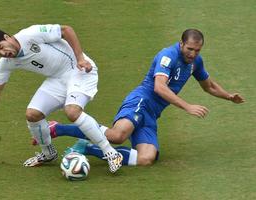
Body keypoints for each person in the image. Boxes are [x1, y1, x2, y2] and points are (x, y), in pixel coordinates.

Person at [46, 29, 245, 166]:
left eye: (197, 50)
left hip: (152, 114)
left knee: (146, 159)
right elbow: (159, 87)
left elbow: (208, 86)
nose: (193, 54)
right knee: (117, 136)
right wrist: (187, 106)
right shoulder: (168, 56)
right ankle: (58, 128)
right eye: (189, 49)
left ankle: (88, 148)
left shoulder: (195, 62)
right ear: (181, 43)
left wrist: (229, 96)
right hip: (141, 101)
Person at [0, 24, 123, 173]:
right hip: (57, 79)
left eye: (1, 47)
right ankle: (48, 153)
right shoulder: (6, 62)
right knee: (32, 114)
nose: (3, 53)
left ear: (7, 37)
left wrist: (80, 58)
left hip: (79, 70)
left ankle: (111, 153)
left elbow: (67, 30)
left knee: (72, 111)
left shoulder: (31, 34)